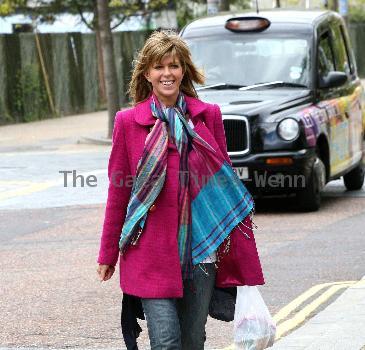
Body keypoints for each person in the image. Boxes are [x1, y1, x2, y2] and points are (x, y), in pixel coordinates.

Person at [97, 30, 264, 350]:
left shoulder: (208, 117)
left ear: (183, 70)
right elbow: (118, 193)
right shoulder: (128, 122)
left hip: (200, 250)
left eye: (173, 66)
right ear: (147, 73)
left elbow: (224, 189)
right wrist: (108, 253)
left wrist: (242, 255)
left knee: (191, 339)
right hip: (149, 252)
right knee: (166, 340)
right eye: (159, 67)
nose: (167, 74)